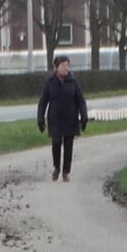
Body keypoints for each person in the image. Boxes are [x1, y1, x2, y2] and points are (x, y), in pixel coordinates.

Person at [36, 54, 88, 182]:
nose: (66, 68)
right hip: (55, 119)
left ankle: (66, 172)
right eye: (63, 65)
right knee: (56, 143)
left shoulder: (74, 82)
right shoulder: (50, 83)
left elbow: (81, 101)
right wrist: (40, 119)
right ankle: (57, 167)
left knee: (68, 146)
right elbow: (43, 102)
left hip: (71, 118)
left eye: (67, 65)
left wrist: (84, 116)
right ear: (57, 67)